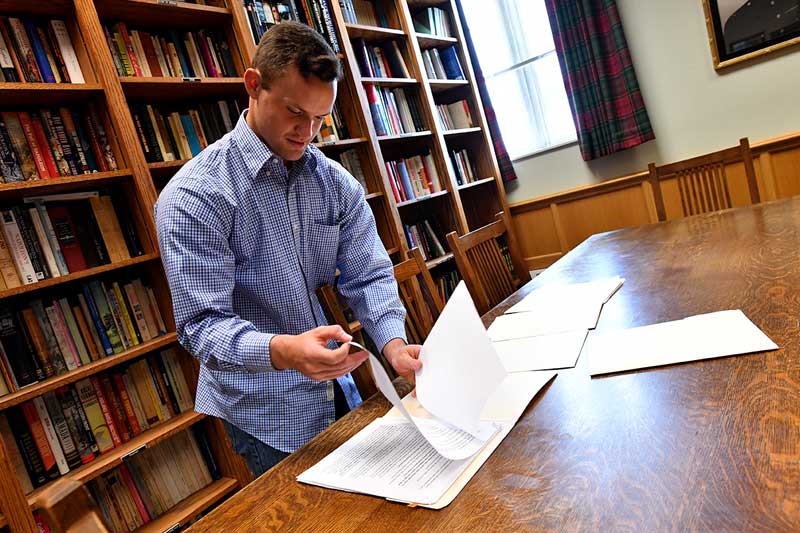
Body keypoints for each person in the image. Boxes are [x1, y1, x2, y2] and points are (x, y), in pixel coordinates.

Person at [154, 21, 422, 477]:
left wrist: (394, 347)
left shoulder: (332, 181)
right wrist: (283, 351)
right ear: (254, 86)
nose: (308, 132)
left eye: (321, 118)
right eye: (296, 111)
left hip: (336, 386)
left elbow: (369, 274)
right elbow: (201, 327)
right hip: (263, 410)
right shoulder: (195, 196)